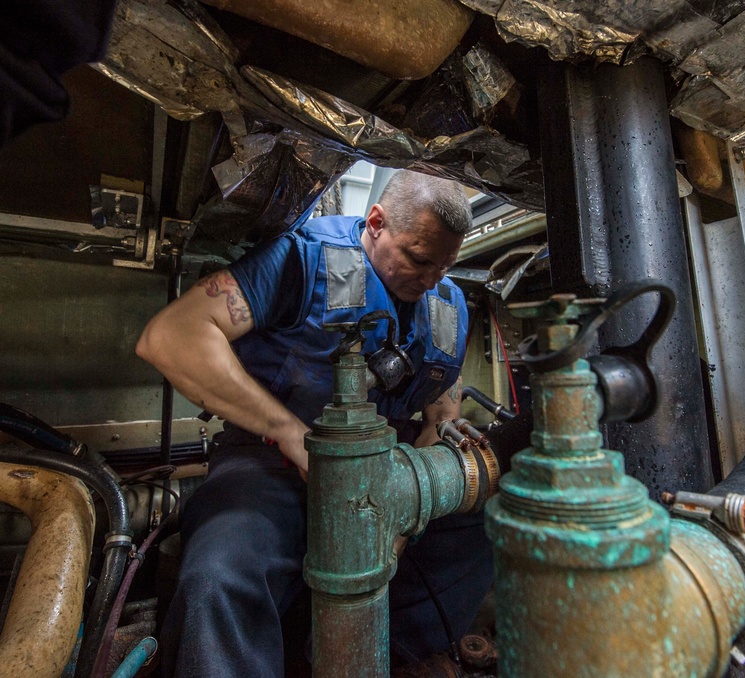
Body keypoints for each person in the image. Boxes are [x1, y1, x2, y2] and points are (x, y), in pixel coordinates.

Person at [136, 170, 492, 676]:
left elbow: (442, 412)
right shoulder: (301, 259)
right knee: (219, 578)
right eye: (418, 259)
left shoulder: (448, 305)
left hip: (388, 467)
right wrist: (290, 434)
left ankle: (390, 659)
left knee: (480, 518)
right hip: (272, 463)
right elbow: (171, 336)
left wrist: (406, 510)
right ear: (375, 223)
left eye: (446, 265)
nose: (432, 278)